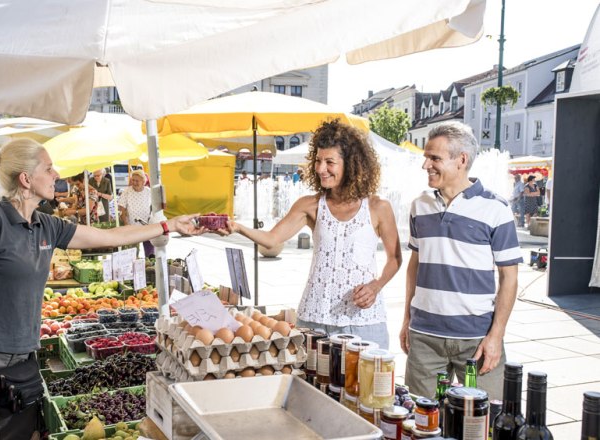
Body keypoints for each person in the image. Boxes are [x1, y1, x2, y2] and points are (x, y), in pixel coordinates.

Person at [0, 139, 204, 440]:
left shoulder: (46, 225)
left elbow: (110, 236)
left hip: (20, 362)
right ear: (26, 178)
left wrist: (168, 226)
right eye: (49, 169)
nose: (56, 174)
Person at [220, 119, 402, 348]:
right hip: (314, 320)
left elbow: (395, 258)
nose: (320, 169)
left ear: (351, 164)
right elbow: (272, 239)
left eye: (329, 162)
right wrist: (238, 227)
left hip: (363, 321)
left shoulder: (378, 207)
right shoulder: (311, 205)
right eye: (318, 160)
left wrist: (376, 286)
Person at [400, 121, 521, 401]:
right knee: (422, 418)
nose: (426, 165)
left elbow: (509, 277)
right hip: (424, 336)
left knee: (486, 418)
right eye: (426, 157)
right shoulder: (420, 205)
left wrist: (496, 335)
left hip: (476, 339)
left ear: (461, 160)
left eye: (434, 158)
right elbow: (414, 266)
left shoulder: (496, 208)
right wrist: (407, 319)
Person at [118, 169, 154, 257]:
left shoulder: (149, 191)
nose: (134, 182)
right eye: (133, 180)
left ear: (143, 182)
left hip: (146, 225)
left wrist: (153, 220)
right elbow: (121, 208)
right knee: (132, 253)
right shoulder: (127, 191)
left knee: (150, 253)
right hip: (132, 226)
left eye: (137, 181)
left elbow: (154, 207)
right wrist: (126, 223)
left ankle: (150, 264)